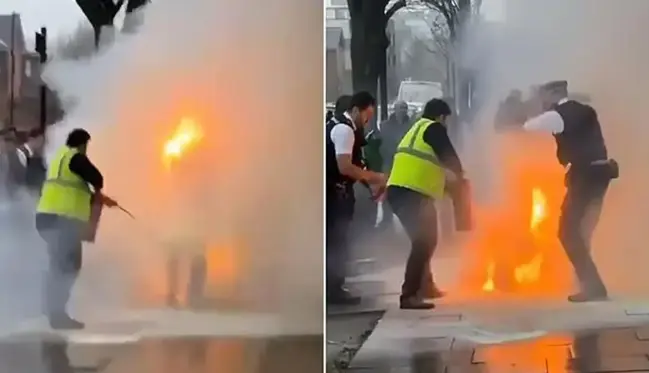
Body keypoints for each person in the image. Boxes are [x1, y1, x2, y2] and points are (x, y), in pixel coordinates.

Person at [523, 80, 618, 302]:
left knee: (567, 231)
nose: (542, 100)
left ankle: (593, 287)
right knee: (582, 231)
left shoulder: (559, 114)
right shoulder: (585, 110)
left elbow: (529, 127)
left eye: (544, 95)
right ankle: (585, 280)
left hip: (585, 177)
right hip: (601, 175)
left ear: (555, 94)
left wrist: (522, 116)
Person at [35, 128, 118, 329]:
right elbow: (96, 177)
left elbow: (71, 188)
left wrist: (98, 198)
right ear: (83, 144)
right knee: (68, 266)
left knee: (59, 264)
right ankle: (57, 314)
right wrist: (98, 191)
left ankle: (51, 308)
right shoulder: (75, 158)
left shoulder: (59, 158)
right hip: (61, 221)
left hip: (47, 219)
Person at [386, 98, 464, 309]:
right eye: (447, 120)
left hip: (404, 191)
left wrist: (449, 187)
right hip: (411, 193)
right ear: (441, 116)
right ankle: (409, 295)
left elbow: (427, 164)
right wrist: (461, 178)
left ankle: (426, 286)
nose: (447, 124)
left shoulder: (417, 128)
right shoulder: (434, 128)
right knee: (424, 241)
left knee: (425, 240)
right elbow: (450, 157)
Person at [326, 92, 386, 305]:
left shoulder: (342, 127)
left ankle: (334, 286)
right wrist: (377, 177)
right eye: (366, 117)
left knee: (337, 241)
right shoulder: (344, 130)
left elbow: (355, 167)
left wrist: (369, 183)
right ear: (355, 110)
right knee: (336, 241)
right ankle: (333, 290)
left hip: (336, 193)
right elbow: (345, 167)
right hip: (333, 195)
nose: (367, 122)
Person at [375, 100, 411, 231]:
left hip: (407, 163)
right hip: (389, 162)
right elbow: (380, 144)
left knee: (407, 192)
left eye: (404, 108)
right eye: (400, 108)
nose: (402, 110)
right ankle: (386, 220)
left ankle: (408, 220)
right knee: (386, 190)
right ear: (394, 110)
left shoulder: (412, 126)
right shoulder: (385, 126)